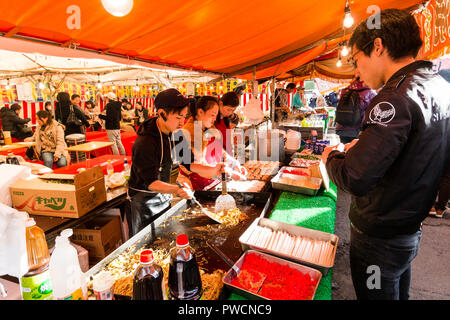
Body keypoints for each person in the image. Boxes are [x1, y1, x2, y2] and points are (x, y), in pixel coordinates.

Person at [322, 8, 450, 300]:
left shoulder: (395, 97)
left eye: (357, 60)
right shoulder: (441, 88)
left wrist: (331, 157)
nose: (358, 71)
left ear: (378, 46)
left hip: (379, 237)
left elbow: (355, 177)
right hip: (409, 229)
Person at [127, 88, 200, 237]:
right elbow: (151, 183)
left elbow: (188, 163)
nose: (182, 122)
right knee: (146, 244)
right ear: (162, 114)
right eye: (179, 117)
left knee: (165, 238)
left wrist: (215, 169)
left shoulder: (176, 135)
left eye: (184, 117)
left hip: (164, 196)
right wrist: (177, 189)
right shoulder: (145, 142)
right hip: (144, 203)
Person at [176, 96, 246, 191]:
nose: (215, 118)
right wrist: (228, 172)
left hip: (214, 184)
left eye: (216, 115)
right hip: (195, 188)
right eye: (212, 115)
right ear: (200, 112)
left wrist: (234, 163)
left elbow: (221, 152)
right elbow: (195, 166)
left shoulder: (210, 129)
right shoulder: (186, 133)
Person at [335, 77, 376, 143]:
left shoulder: (344, 90)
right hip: (357, 129)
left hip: (342, 127)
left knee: (344, 149)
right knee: (356, 152)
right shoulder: (370, 93)